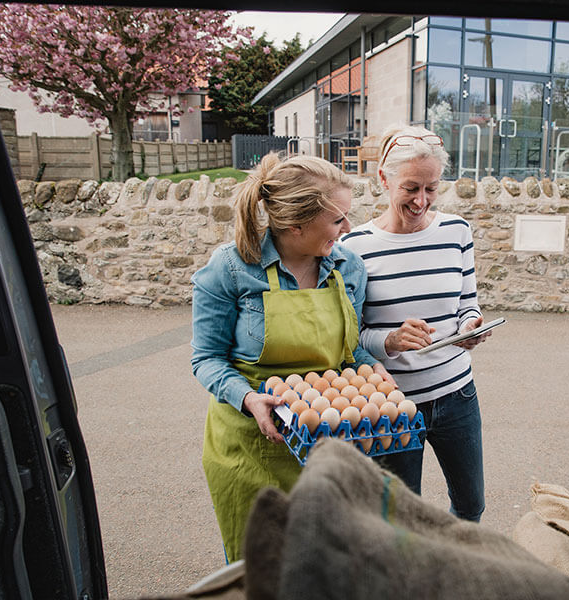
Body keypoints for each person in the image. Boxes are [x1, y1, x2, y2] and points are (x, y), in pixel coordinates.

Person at [190, 153, 391, 562]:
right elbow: (206, 358)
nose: (347, 229)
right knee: (262, 567)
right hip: (252, 442)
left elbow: (348, 349)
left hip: (327, 439)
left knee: (324, 562)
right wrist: (249, 399)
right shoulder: (231, 268)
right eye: (337, 220)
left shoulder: (348, 267)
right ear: (296, 225)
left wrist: (371, 371)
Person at [340, 125, 492, 522]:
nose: (421, 200)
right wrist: (389, 340)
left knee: (471, 506)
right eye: (410, 188)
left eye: (431, 188)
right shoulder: (353, 247)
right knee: (403, 519)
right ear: (383, 179)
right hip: (393, 404)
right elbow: (347, 338)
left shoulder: (457, 231)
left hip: (458, 395)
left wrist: (471, 325)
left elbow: (467, 303)